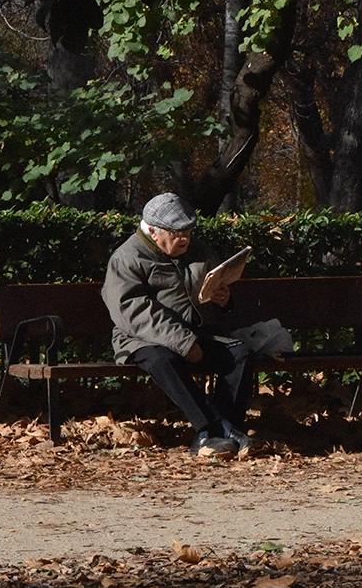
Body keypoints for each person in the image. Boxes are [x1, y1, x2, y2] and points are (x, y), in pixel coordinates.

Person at [102, 193, 255, 458]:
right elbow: (133, 311)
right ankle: (213, 427)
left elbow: (210, 292)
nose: (184, 238)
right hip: (142, 339)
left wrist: (224, 300)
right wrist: (183, 342)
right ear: (152, 231)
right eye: (176, 233)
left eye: (188, 231)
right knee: (162, 359)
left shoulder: (197, 250)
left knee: (240, 353)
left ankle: (224, 434)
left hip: (197, 334)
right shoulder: (126, 258)